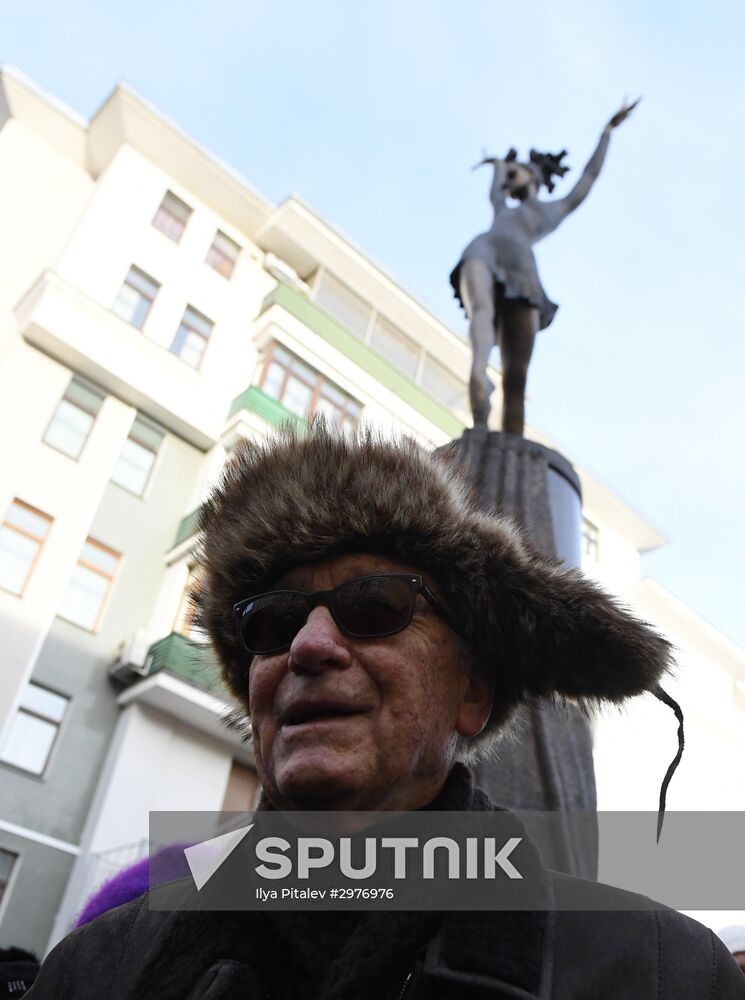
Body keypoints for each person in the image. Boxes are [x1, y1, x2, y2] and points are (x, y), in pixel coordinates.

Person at [26, 424, 745, 998]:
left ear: (472, 694)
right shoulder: (94, 972)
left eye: (372, 606)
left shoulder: (662, 973)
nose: (307, 646)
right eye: (273, 622)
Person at [451, 101, 637, 434]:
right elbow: (495, 190)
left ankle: (510, 438)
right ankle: (478, 374)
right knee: (481, 307)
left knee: (516, 376)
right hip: (484, 250)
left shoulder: (554, 210)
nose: (508, 183)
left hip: (522, 272)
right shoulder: (502, 210)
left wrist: (607, 133)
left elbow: (588, 177)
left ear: (533, 175)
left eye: (514, 174)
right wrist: (497, 166)